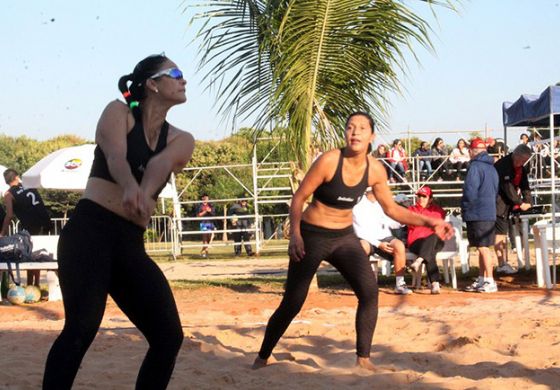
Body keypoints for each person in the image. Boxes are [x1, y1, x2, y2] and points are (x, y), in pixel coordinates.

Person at [252, 112, 453, 371]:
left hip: (344, 237)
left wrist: (430, 222)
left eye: (361, 128)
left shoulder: (375, 169)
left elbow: (392, 209)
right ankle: (262, 357)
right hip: (312, 235)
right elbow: (299, 197)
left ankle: (363, 360)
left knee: (369, 293)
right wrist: (296, 235)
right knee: (293, 301)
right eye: (350, 127)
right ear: (345, 133)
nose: (355, 132)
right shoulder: (329, 161)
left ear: (372, 136)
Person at [43, 54, 194, 389]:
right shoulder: (118, 112)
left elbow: (159, 165)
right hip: (89, 233)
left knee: (168, 337)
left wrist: (144, 191)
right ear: (152, 84)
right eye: (176, 73)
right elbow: (115, 155)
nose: (184, 80)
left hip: (129, 243)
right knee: (81, 329)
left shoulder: (182, 138)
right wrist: (128, 187)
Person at [352, 188, 412, 295]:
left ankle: (400, 284)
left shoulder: (381, 203)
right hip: (366, 238)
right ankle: (361, 285)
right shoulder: (358, 205)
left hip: (383, 236)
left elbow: (388, 222)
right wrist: (379, 244)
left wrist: (403, 221)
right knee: (362, 247)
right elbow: (359, 232)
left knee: (399, 245)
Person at [461, 139, 499, 293]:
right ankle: (482, 279)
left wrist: (465, 207)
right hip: (489, 210)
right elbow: (496, 191)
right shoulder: (492, 168)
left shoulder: (475, 167)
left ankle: (490, 280)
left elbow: (470, 191)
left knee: (483, 248)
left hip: (477, 212)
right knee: (482, 247)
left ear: (472, 150)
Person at [1, 169, 51, 287]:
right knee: (37, 254)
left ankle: (30, 285)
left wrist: (2, 233)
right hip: (45, 221)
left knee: (29, 253)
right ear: (17, 177)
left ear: (6, 182)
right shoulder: (30, 186)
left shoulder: (8, 194)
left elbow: (9, 215)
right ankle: (36, 285)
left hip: (30, 225)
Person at [493, 144, 532, 275]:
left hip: (509, 203)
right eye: (521, 160)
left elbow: (525, 184)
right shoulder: (503, 165)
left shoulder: (521, 167)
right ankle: (501, 263)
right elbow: (507, 187)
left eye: (524, 161)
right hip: (498, 202)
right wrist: (520, 203)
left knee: (505, 233)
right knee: (500, 234)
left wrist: (528, 201)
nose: (522, 163)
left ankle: (504, 262)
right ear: (516, 155)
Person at [407, 186, 446, 294]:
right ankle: (435, 284)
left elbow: (439, 226)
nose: (421, 198)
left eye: (424, 196)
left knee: (433, 237)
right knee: (430, 252)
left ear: (430, 199)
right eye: (419, 196)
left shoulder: (438, 211)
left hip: (435, 240)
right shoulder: (412, 210)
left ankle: (419, 260)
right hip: (416, 241)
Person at [196, 194, 216, 258]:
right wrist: (205, 211)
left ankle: (203, 251)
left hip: (210, 222)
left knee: (209, 237)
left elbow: (213, 213)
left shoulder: (211, 205)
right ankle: (205, 253)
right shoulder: (200, 206)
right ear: (202, 199)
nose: (205, 200)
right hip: (203, 223)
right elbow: (198, 215)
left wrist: (210, 210)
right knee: (204, 238)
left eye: (207, 198)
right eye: (204, 198)